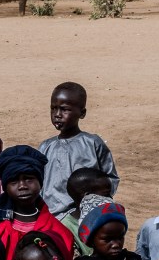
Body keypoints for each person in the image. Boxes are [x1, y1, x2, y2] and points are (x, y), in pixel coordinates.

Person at [38, 82, 119, 222]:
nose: (57, 115)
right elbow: (39, 183)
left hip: (85, 216)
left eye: (64, 109)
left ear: (82, 113)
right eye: (53, 108)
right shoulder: (45, 147)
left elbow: (110, 179)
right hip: (52, 217)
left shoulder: (92, 143)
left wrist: (96, 204)